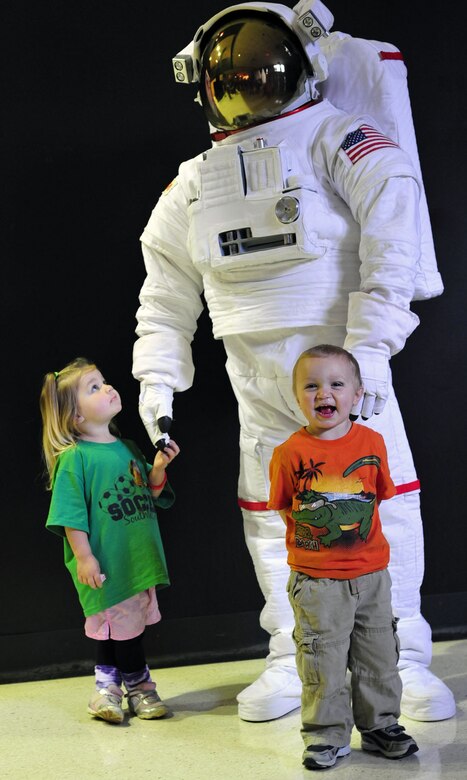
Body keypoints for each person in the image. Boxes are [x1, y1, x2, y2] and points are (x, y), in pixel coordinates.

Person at [132, 0, 455, 722]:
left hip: (347, 370)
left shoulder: (345, 142)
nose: (248, 92)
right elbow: (164, 290)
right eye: (231, 80)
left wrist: (368, 352)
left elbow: (391, 249)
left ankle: (398, 658)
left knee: (382, 502)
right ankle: (292, 656)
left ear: (302, 68)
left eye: (259, 75)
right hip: (256, 379)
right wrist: (158, 380)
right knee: (271, 512)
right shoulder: (193, 181)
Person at [268, 344, 418, 769]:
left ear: (355, 394)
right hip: (318, 583)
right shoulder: (289, 453)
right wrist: (314, 544)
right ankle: (324, 735)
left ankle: (380, 726)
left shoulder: (372, 442)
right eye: (310, 385)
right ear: (296, 397)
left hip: (373, 576)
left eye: (336, 384)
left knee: (378, 656)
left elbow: (376, 499)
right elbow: (285, 507)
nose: (323, 393)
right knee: (323, 661)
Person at [40, 357, 180, 723]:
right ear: (75, 417)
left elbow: (149, 493)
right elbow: (71, 517)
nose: (108, 388)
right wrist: (85, 558)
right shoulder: (75, 459)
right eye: (94, 388)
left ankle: (107, 688)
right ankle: (138, 686)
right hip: (106, 563)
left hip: (136, 559)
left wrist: (159, 469)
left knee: (117, 628)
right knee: (121, 629)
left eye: (104, 381)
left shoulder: (128, 448)